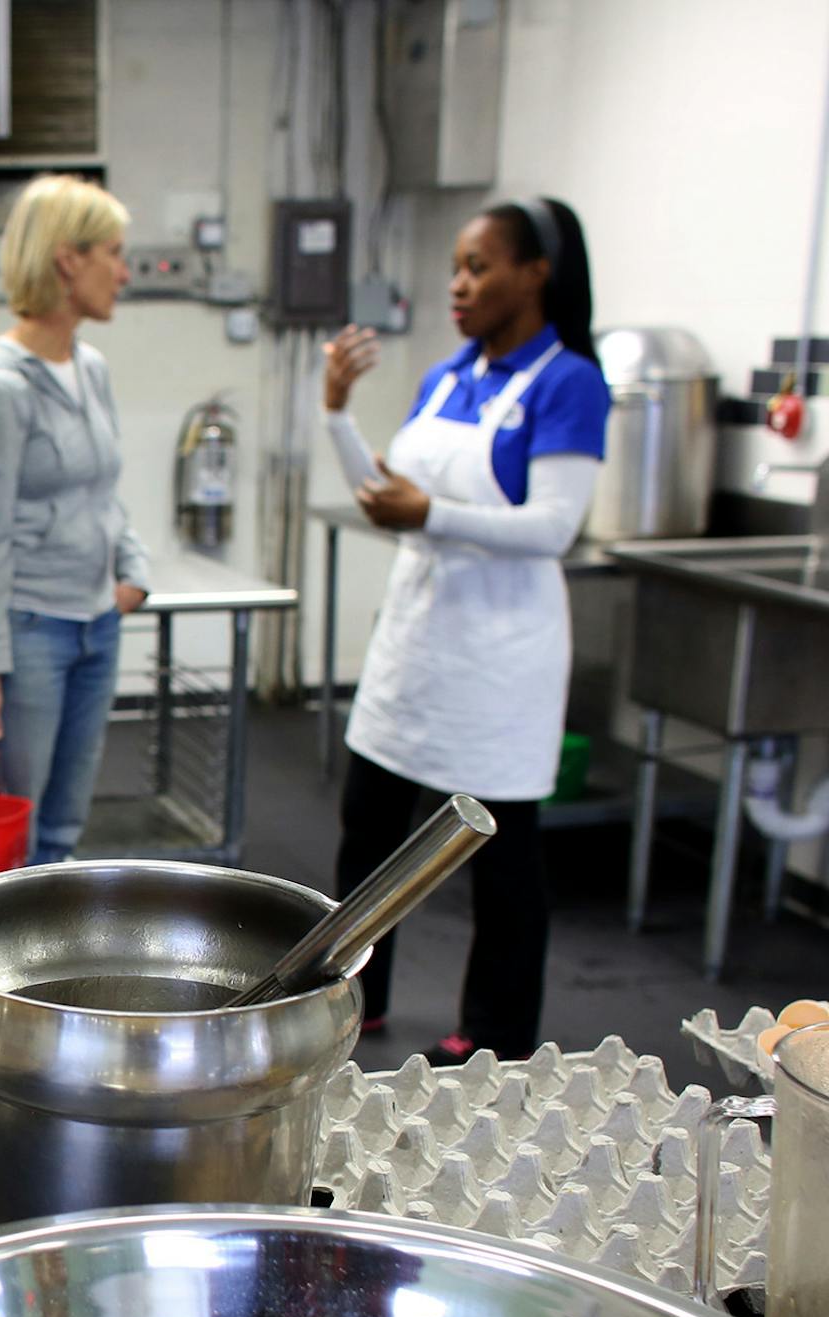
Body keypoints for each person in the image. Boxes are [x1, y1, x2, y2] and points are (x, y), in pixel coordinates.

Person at [322, 196, 609, 1062]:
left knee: (501, 858)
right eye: (456, 267)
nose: (458, 285)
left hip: (499, 659)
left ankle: (496, 1030)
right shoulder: (452, 373)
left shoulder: (568, 382)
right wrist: (338, 411)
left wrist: (433, 512)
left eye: (478, 267)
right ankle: (353, 996)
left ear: (536, 273)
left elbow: (553, 527)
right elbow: (388, 501)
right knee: (369, 830)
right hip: (418, 642)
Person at [0, 175, 151, 867]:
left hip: (95, 625)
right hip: (26, 633)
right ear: (67, 259)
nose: (124, 272)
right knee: (11, 840)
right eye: (113, 253)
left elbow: (104, 491)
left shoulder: (91, 369)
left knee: (61, 831)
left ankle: (40, 977)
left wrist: (132, 569)